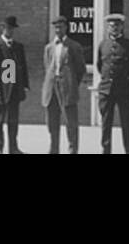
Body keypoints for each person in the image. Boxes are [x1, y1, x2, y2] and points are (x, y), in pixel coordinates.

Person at [96, 13, 129, 155]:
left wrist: (128, 80)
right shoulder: (103, 44)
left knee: (127, 123)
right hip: (106, 90)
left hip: (124, 90)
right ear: (107, 28)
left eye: (117, 25)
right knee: (105, 124)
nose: (114, 28)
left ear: (122, 27)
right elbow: (100, 65)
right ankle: (106, 150)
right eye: (111, 26)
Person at [42, 15, 86, 155]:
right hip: (51, 88)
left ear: (66, 28)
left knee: (70, 122)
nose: (58, 30)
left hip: (67, 88)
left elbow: (80, 69)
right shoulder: (49, 47)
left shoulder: (74, 46)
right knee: (52, 121)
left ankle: (72, 149)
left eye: (60, 27)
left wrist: (72, 83)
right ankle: (53, 148)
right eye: (55, 27)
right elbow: (47, 67)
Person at [0, 15, 28, 154]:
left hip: (15, 89)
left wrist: (25, 85)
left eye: (12, 28)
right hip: (1, 90)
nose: (9, 31)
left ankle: (13, 147)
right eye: (7, 28)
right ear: (2, 28)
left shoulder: (18, 47)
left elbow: (23, 67)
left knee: (13, 121)